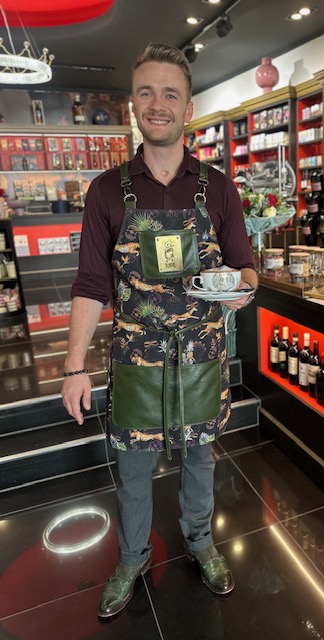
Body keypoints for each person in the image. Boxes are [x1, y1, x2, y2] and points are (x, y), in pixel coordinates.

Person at [62, 42, 258, 618]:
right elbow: (90, 284)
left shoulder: (218, 187)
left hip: (201, 353)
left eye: (170, 93)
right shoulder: (107, 190)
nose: (157, 103)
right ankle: (131, 558)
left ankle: (201, 543)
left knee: (200, 458)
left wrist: (240, 288)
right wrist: (74, 367)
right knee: (132, 466)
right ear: (133, 105)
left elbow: (247, 268)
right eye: (146, 92)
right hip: (136, 357)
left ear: (187, 108)